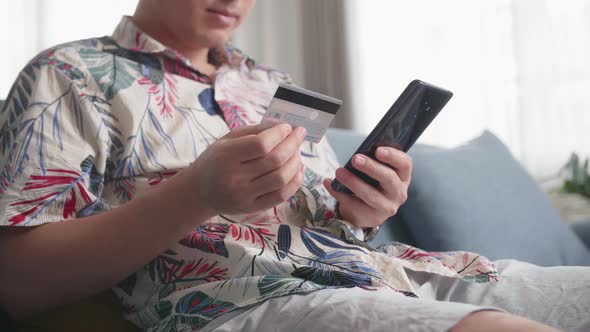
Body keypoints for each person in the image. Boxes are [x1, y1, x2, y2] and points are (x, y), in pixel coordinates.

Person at [0, 0, 588, 331]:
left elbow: (329, 228)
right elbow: (19, 283)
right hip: (241, 301)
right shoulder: (69, 74)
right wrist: (197, 193)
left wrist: (364, 211)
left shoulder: (272, 87)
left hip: (387, 274)